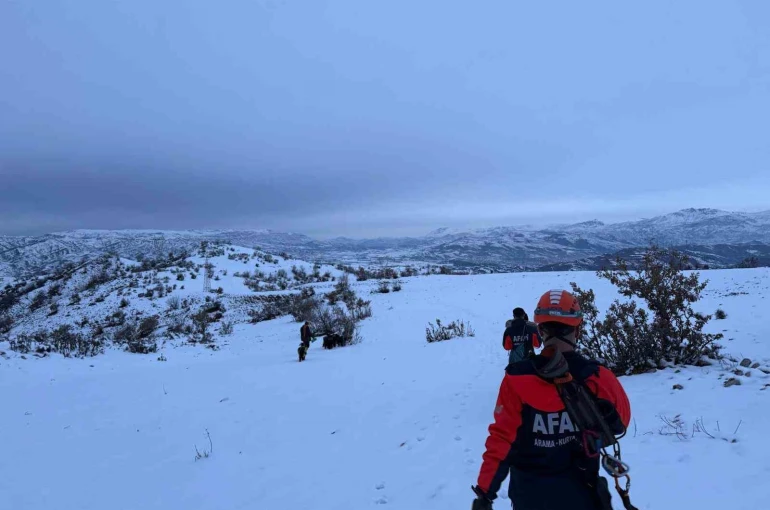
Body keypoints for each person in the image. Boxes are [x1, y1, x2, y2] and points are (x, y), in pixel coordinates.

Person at [472, 290, 632, 510]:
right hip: (583, 494)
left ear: (540, 329)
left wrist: (484, 494)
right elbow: (620, 423)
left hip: (530, 496)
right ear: (577, 329)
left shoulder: (516, 380)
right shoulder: (598, 377)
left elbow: (501, 441)